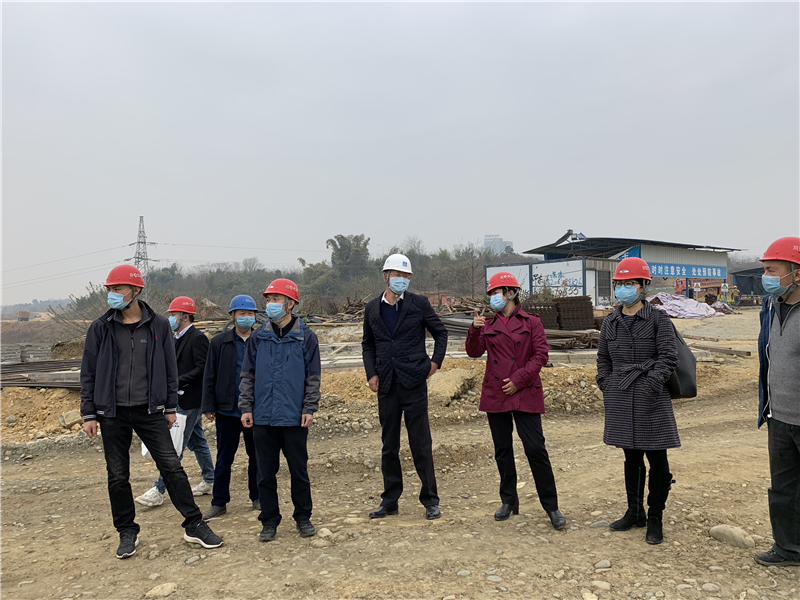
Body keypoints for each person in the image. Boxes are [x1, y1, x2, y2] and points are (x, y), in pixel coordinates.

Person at [80, 266, 222, 559]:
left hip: (150, 411)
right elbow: (88, 372)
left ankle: (194, 524)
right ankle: (126, 531)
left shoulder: (158, 325)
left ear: (135, 291)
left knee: (172, 466)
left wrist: (169, 407)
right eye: (110, 289)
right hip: (111, 413)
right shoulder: (100, 327)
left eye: (117, 289)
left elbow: (170, 368)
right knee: (117, 475)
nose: (112, 294)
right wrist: (89, 413)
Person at [465, 272, 566, 529]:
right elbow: (474, 352)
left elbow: (541, 354)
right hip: (496, 392)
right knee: (502, 450)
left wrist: (519, 379)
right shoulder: (487, 324)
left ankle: (551, 506)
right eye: (491, 293)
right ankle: (509, 500)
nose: (493, 297)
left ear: (511, 293)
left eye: (496, 292)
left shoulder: (532, 322)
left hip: (524, 390)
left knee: (535, 448)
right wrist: (474, 330)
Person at [596, 257, 679, 545]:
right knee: (631, 458)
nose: (623, 288)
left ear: (643, 286)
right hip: (620, 396)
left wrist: (650, 385)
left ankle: (655, 517)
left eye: (630, 283)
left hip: (651, 399)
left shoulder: (658, 319)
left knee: (658, 461)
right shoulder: (611, 322)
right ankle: (635, 512)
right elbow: (603, 359)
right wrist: (606, 384)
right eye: (620, 283)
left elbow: (668, 357)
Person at [362, 254, 448, 520]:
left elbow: (441, 332)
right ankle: (390, 500)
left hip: (413, 383)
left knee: (421, 444)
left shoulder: (419, 304)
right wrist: (371, 373)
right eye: (397, 275)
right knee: (389, 445)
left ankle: (430, 500)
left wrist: (435, 363)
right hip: (387, 385)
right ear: (386, 276)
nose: (402, 280)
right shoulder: (372, 308)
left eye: (406, 276)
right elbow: (368, 344)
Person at [239, 279, 321, 542]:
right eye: (269, 299)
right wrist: (246, 407)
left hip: (294, 417)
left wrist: (309, 408)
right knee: (265, 473)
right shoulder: (258, 337)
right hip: (263, 417)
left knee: (299, 471)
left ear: (291, 304)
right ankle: (269, 520)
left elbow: (313, 378)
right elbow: (248, 375)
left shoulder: (306, 337)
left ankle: (303, 517)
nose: (271, 304)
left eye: (276, 299)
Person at [135, 296, 214, 507]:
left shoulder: (197, 338)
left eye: (173, 314)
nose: (170, 318)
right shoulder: (175, 338)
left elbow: (202, 368)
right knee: (197, 441)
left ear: (185, 316)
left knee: (176, 446)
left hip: (190, 400)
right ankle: (210, 479)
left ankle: (158, 490)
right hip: (177, 398)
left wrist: (177, 381)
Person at [754, 237, 800, 567]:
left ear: (797, 273)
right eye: (765, 270)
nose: (766, 277)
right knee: (783, 488)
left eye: (772, 270)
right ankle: (788, 548)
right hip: (778, 416)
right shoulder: (769, 307)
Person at [201, 295, 261, 520]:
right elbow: (210, 375)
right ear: (233, 316)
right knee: (224, 457)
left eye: (250, 313)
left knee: (257, 456)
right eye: (242, 313)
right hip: (227, 409)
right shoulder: (219, 342)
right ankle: (219, 502)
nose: (246, 317)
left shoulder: (262, 340)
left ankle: (257, 496)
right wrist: (208, 405)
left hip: (255, 409)